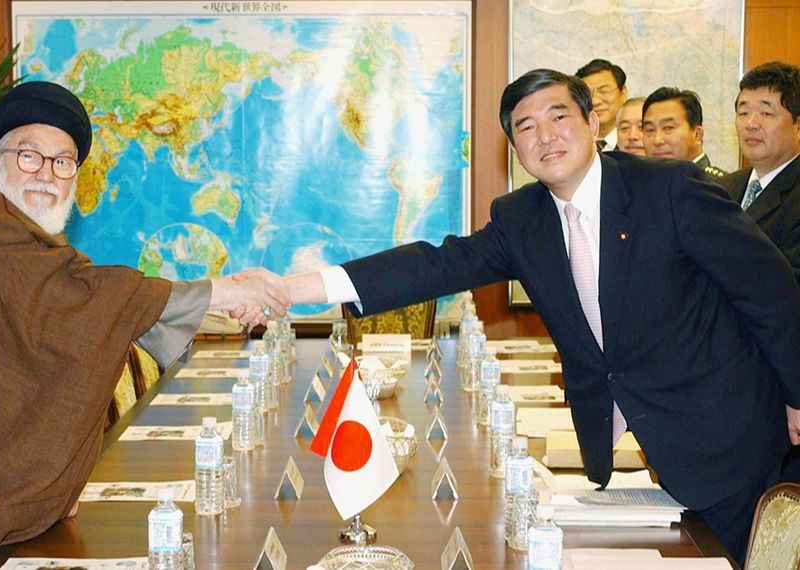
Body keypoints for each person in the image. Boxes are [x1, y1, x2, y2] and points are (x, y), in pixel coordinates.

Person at [287, 69, 800, 565]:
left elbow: (771, 292)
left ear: (592, 125)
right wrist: (300, 288)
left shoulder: (669, 189)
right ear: (515, 149)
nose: (545, 136)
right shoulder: (521, 218)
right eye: (526, 127)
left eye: (559, 117)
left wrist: (797, 397)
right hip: (654, 446)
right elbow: (436, 264)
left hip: (730, 437)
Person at [0, 81, 288, 564]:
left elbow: (54, 331)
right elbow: (87, 299)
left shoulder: (22, 238)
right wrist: (225, 291)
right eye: (29, 156)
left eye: (62, 162)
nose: (46, 176)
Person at [718, 61, 800, 484]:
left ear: (796, 123)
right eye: (742, 110)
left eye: (767, 112)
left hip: (775, 392)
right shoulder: (723, 190)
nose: (751, 123)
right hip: (720, 388)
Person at [642, 87, 727, 177]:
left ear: (698, 135)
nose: (657, 140)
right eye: (650, 130)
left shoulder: (720, 186)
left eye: (668, 128)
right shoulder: (642, 185)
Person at [575, 59, 627, 150]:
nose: (595, 101)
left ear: (623, 93)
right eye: (588, 94)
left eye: (604, 91)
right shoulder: (576, 147)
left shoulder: (637, 142)